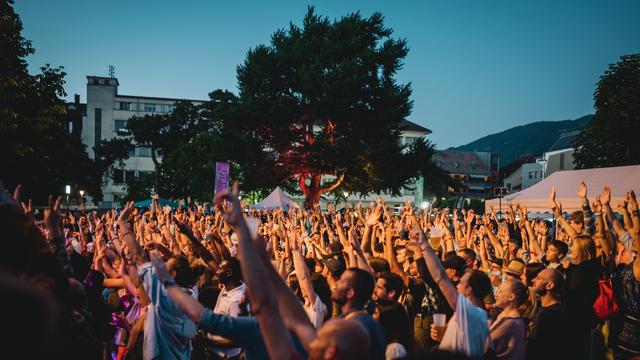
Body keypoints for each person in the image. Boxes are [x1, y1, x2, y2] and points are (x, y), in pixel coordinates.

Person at [410, 226, 491, 359]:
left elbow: (440, 278)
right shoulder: (475, 314)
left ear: (469, 289)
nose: (457, 285)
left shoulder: (469, 312)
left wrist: (424, 245)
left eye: (462, 283)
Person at [332, 267, 387, 360]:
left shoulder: (355, 327)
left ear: (350, 293)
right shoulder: (360, 320)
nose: (336, 283)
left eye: (341, 280)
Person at [528, 268, 570, 360]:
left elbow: (543, 350)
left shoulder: (553, 315)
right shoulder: (540, 306)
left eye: (539, 278)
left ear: (549, 286)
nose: (533, 280)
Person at [489, 279, 528, 360]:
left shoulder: (510, 321)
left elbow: (483, 343)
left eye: (500, 292)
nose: (496, 294)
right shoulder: (506, 316)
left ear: (511, 297)